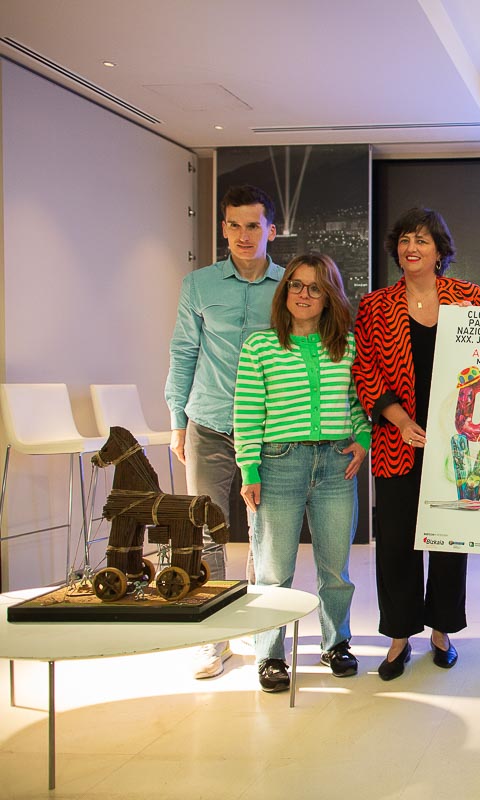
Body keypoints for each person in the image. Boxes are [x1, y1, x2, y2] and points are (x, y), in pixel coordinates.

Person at [352, 208, 480, 680]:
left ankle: (442, 630)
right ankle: (399, 635)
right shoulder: (375, 306)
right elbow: (365, 371)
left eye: (423, 240)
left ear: (439, 250)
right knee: (395, 542)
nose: (412, 247)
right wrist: (402, 420)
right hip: (398, 438)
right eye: (405, 239)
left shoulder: (469, 297)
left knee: (450, 538)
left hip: (458, 440)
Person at [233, 253, 370, 693]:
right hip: (279, 464)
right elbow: (248, 412)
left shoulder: (347, 346)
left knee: (336, 569)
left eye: (315, 287)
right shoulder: (260, 346)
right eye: (296, 285)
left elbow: (357, 402)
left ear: (329, 296)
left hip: (335, 464)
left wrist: (363, 438)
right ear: (284, 291)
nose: (304, 294)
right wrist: (249, 468)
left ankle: (336, 643)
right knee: (273, 571)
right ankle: (270, 654)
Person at [165, 184, 283, 679]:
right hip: (208, 423)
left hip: (271, 425)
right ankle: (211, 637)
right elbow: (183, 352)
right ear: (223, 228)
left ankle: (258, 628)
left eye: (253, 225)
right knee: (205, 533)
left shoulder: (289, 286)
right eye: (234, 225)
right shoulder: (199, 285)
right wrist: (177, 420)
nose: (243, 235)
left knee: (264, 534)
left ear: (271, 230)